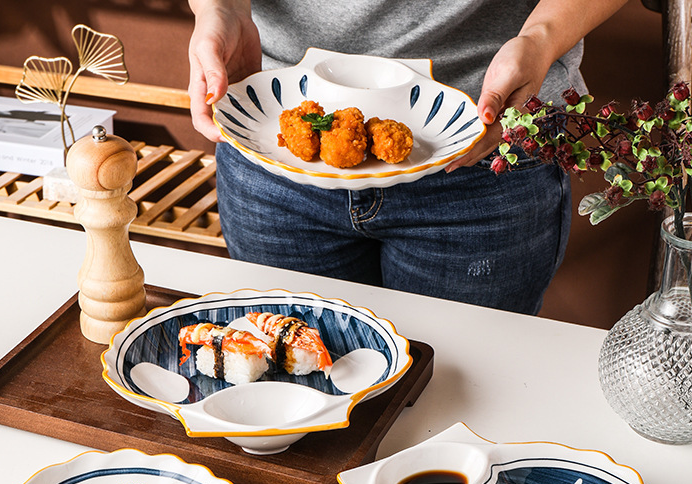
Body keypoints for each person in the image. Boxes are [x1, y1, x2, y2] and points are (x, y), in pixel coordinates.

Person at [187, 0, 630, 314]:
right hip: (271, 137)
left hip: (484, 150)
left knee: (464, 387)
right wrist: (218, 9)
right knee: (292, 379)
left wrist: (541, 38)